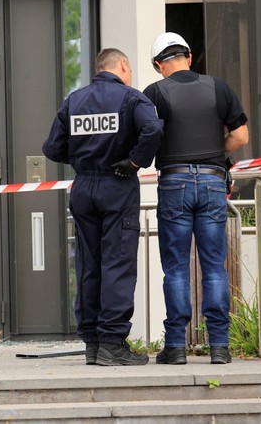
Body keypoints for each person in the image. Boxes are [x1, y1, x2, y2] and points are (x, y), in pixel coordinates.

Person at [42, 49, 163, 366]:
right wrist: (134, 160)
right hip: (117, 184)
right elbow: (154, 129)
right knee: (118, 262)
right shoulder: (132, 99)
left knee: (88, 263)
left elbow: (52, 148)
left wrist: (84, 159)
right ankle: (112, 342)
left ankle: (93, 343)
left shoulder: (74, 100)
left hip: (83, 187)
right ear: (123, 66)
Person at [144, 32, 249, 365]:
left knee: (175, 268)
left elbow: (146, 138)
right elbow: (241, 134)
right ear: (189, 57)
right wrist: (218, 155)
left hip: (173, 183)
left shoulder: (155, 93)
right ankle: (220, 346)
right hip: (213, 182)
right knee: (214, 266)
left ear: (159, 65)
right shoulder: (218, 87)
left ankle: (175, 346)